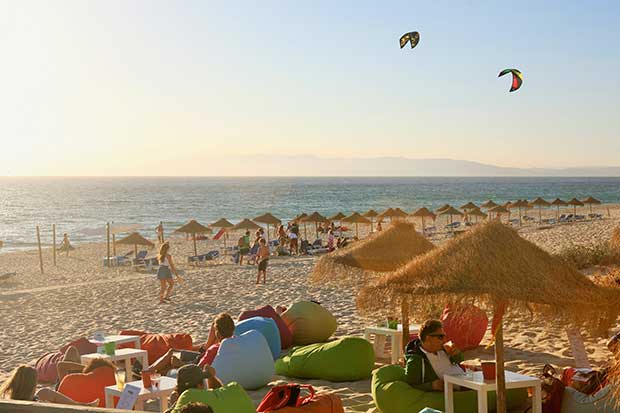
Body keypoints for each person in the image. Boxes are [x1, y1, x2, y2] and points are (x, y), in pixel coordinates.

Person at [404, 319, 464, 391]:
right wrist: (431, 386)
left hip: (466, 381)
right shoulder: (415, 360)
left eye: (444, 336)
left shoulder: (444, 349)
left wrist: (456, 354)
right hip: (453, 390)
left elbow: (461, 361)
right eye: (440, 337)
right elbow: (410, 387)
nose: (444, 339)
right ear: (428, 338)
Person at [0, 365, 98, 406]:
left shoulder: (8, 402)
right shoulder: (38, 402)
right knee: (44, 392)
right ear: (32, 385)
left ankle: (81, 406)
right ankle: (81, 406)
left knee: (44, 392)